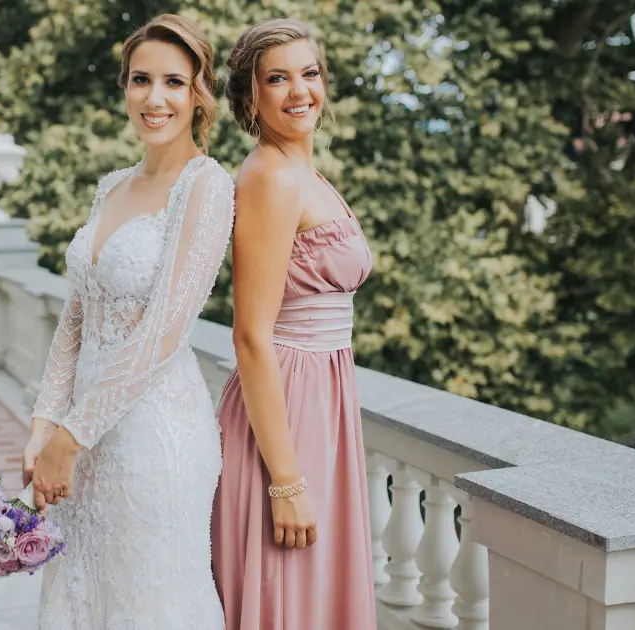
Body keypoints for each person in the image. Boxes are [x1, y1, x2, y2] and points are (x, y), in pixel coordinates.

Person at [20, 13, 233, 630]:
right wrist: (44, 425)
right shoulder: (112, 186)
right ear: (125, 87)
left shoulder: (207, 186)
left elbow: (164, 330)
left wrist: (70, 438)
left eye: (173, 81)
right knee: (82, 599)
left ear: (198, 93)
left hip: (152, 438)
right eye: (141, 80)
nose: (154, 97)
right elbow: (75, 322)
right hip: (81, 442)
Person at [211, 18, 378, 630]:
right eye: (277, 78)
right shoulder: (270, 179)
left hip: (324, 393)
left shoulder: (304, 173)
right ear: (251, 96)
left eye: (309, 74)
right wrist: (285, 481)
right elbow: (250, 334)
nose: (298, 90)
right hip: (286, 403)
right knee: (287, 593)